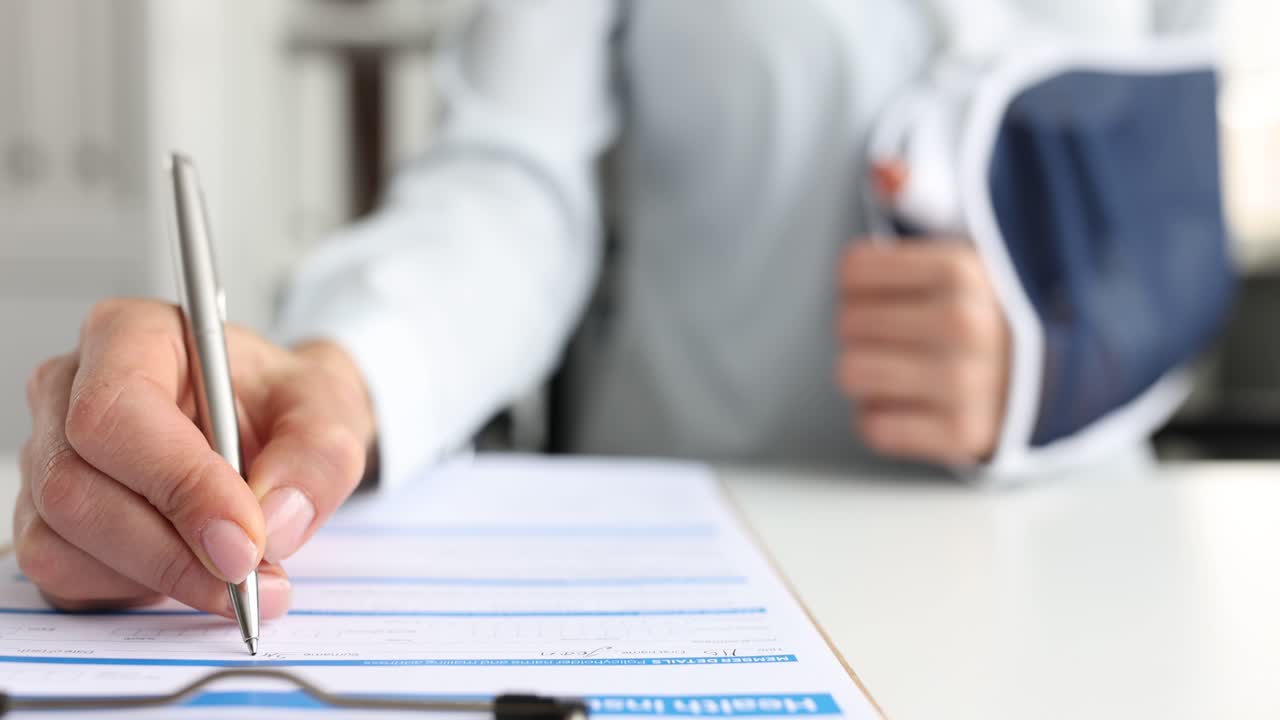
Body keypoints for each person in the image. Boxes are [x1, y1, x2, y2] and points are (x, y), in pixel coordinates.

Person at [14, 0, 1222, 618]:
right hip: (684, 548)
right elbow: (513, 179)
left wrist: (1065, 351)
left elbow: (1183, 189)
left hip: (1070, 565)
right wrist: (344, 372)